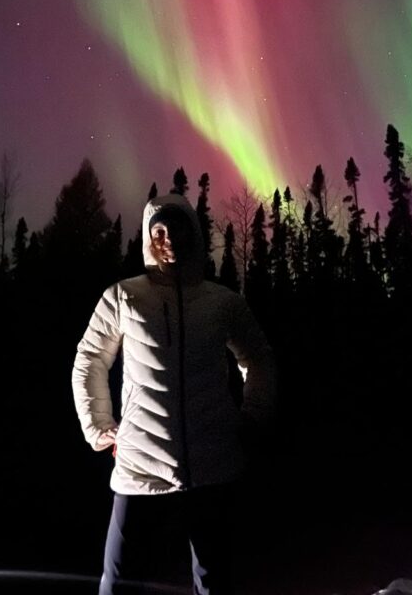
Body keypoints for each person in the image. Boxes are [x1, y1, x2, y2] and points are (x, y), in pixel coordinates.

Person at [72, 191, 276, 595]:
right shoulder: (123, 297)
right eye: (158, 231)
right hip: (139, 468)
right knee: (118, 582)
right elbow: (90, 360)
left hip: (212, 465)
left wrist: (254, 415)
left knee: (214, 582)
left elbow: (259, 358)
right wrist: (100, 428)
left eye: (176, 229)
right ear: (149, 238)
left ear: (192, 234)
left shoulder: (222, 303)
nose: (168, 239)